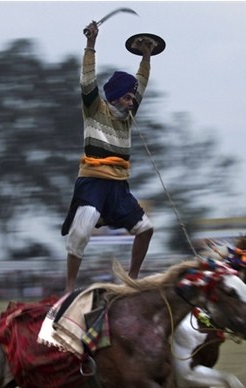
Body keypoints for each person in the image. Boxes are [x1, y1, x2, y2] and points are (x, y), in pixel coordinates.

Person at [61, 22, 155, 294]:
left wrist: (146, 56)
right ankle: (69, 289)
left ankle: (132, 280)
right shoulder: (94, 109)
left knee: (146, 229)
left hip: (118, 187)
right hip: (92, 183)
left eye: (132, 98)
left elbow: (142, 82)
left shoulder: (129, 117)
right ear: (114, 97)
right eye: (127, 97)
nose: (131, 102)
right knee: (81, 231)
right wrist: (91, 45)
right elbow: (87, 79)